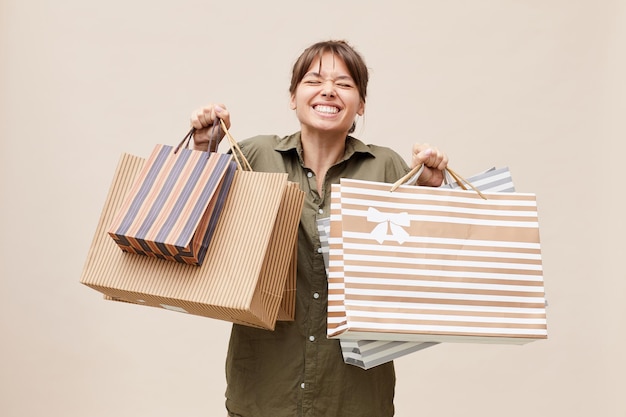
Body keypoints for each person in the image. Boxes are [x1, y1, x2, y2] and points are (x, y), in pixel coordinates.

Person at [190, 40, 448, 417]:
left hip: (355, 397)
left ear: (360, 104)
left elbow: (429, 263)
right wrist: (203, 149)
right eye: (314, 80)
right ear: (293, 96)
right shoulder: (256, 156)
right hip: (264, 391)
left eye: (344, 84)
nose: (328, 90)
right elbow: (199, 224)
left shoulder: (386, 168)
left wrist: (434, 188)